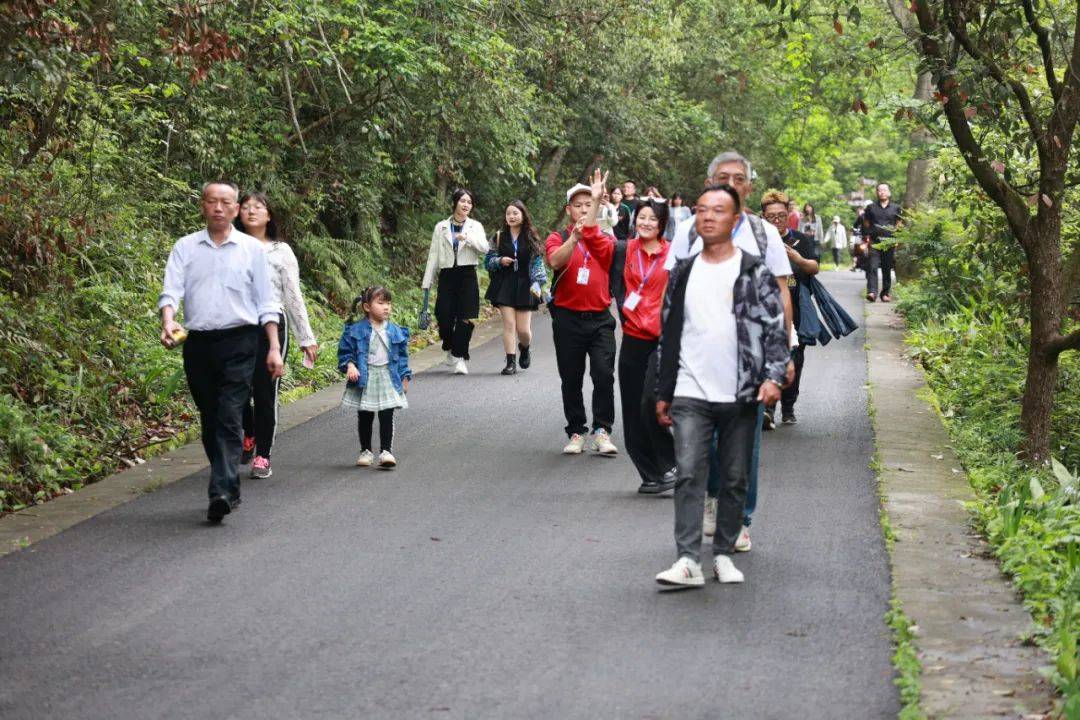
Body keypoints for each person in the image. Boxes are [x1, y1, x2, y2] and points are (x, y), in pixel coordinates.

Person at [654, 184, 787, 588]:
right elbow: (668, 332)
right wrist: (663, 390)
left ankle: (724, 553)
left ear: (736, 218)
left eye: (718, 210)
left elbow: (774, 327)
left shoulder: (754, 270)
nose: (708, 216)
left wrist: (774, 376)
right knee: (690, 473)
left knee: (733, 477)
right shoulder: (682, 272)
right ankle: (688, 560)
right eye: (701, 210)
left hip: (741, 392)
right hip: (691, 391)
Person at [158, 181, 283, 522]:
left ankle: (221, 492)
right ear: (203, 205)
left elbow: (267, 302)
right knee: (210, 418)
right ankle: (229, 485)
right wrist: (168, 321)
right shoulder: (185, 247)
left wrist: (273, 347)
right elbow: (171, 291)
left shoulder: (251, 250)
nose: (218, 207)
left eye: (225, 202)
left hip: (242, 341)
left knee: (230, 415)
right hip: (198, 344)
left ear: (234, 208)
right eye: (211, 201)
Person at [234, 192, 318, 479]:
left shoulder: (281, 251)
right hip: (236, 325)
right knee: (237, 388)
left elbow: (293, 296)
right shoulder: (230, 245)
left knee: (265, 391)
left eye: (258, 207)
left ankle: (263, 455)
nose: (251, 211)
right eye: (245, 207)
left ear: (269, 216)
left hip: (273, 327)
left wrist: (306, 338)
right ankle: (249, 430)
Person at [546, 169, 618, 456]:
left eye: (590, 204)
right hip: (567, 318)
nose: (584, 209)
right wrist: (574, 240)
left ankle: (602, 430)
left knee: (603, 374)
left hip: (600, 318)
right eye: (579, 205)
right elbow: (554, 261)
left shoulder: (605, 239)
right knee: (571, 377)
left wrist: (589, 233)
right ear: (569, 209)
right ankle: (576, 431)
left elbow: (613, 260)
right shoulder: (557, 236)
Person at [610, 198, 675, 494]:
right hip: (633, 337)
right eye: (642, 218)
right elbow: (589, 235)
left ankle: (672, 462)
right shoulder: (624, 249)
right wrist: (597, 199)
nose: (646, 223)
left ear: (662, 224)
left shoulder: (673, 254)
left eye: (653, 219)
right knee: (632, 410)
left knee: (651, 401)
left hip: (662, 339)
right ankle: (650, 475)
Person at [760, 190, 819, 425]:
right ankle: (767, 409)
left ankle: (788, 407)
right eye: (771, 216)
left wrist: (797, 258)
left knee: (795, 359)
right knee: (766, 357)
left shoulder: (800, 240)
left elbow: (814, 267)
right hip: (765, 309)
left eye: (781, 216)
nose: (776, 221)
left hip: (796, 308)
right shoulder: (757, 240)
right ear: (763, 216)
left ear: (788, 216)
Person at [338, 286, 412, 469]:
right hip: (366, 377)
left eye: (388, 303)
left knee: (387, 414)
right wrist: (350, 365)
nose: (386, 307)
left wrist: (405, 377)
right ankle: (366, 451)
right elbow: (345, 352)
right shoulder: (355, 330)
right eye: (381, 303)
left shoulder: (395, 331)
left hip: (388, 376)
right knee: (365, 415)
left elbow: (402, 357)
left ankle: (386, 451)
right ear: (366, 307)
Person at [422, 189, 489, 373]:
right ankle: (450, 347)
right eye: (462, 201)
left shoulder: (475, 226)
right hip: (447, 275)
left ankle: (459, 357)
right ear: (455, 203)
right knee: (443, 316)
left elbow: (485, 247)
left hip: (467, 274)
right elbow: (433, 255)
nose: (466, 205)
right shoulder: (441, 226)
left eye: (469, 202)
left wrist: (467, 238)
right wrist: (426, 282)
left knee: (464, 317)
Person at [484, 200, 547, 375]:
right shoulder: (498, 236)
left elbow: (538, 263)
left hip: (526, 284)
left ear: (523, 215)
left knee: (523, 330)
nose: (511, 216)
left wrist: (539, 283)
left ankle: (525, 347)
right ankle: (510, 362)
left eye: (515, 213)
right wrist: (499, 261)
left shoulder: (531, 236)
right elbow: (487, 262)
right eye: (508, 214)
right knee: (509, 325)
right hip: (505, 283)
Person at [861, 182, 901, 302]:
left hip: (889, 242)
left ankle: (885, 293)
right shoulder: (871, 207)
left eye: (884, 190)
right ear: (877, 193)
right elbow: (866, 222)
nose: (882, 192)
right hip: (874, 242)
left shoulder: (896, 208)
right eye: (880, 190)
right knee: (872, 267)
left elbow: (899, 224)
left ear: (889, 192)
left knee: (886, 268)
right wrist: (868, 235)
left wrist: (897, 238)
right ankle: (872, 292)